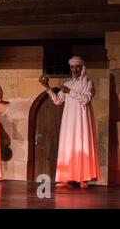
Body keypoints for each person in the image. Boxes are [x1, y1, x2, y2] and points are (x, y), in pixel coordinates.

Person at [39, 56, 100, 189]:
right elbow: (57, 101)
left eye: (77, 66)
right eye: (72, 67)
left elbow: (86, 99)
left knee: (81, 146)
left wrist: (70, 92)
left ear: (82, 67)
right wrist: (48, 87)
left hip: (82, 120)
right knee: (69, 147)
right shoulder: (67, 84)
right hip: (69, 121)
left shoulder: (88, 83)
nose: (75, 69)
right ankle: (66, 178)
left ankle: (83, 178)